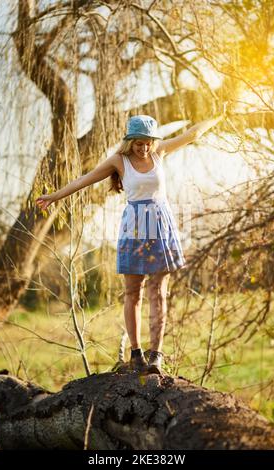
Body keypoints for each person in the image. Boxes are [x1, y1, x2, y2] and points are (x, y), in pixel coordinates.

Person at [36, 105, 228, 375]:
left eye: (148, 143)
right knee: (132, 293)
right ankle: (136, 353)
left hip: (160, 226)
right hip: (135, 228)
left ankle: (155, 356)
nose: (144, 149)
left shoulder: (160, 152)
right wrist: (55, 196)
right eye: (139, 144)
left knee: (158, 292)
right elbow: (86, 179)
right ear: (130, 142)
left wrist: (219, 114)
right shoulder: (119, 161)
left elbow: (193, 134)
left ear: (153, 142)